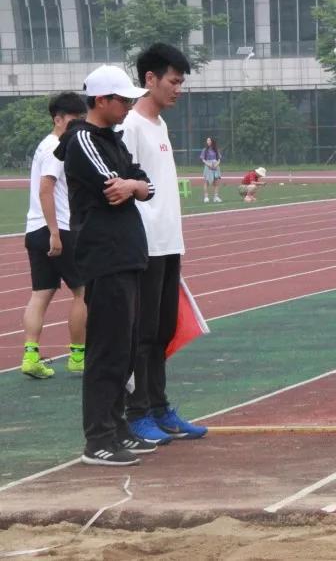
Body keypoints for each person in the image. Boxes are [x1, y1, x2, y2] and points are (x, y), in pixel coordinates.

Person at [54, 64, 157, 466]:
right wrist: (132, 185)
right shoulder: (82, 139)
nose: (129, 105)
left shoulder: (113, 138)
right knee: (107, 349)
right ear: (101, 100)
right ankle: (98, 438)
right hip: (105, 254)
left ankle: (117, 427)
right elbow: (112, 184)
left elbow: (143, 183)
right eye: (123, 99)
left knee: (126, 347)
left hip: (126, 252)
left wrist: (134, 185)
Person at [119, 43, 207, 445]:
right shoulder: (131, 126)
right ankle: (137, 412)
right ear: (150, 79)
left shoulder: (160, 125)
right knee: (142, 333)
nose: (178, 89)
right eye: (173, 81)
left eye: (181, 82)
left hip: (169, 244)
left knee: (163, 329)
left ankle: (158, 407)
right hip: (145, 246)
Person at [20, 92, 88, 379]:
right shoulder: (58, 147)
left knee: (41, 293)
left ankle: (30, 357)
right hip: (57, 229)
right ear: (58, 119)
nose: (79, 125)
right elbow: (45, 189)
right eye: (74, 120)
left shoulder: (44, 145)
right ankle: (78, 356)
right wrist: (55, 233)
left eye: (82, 119)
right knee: (83, 291)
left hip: (35, 229)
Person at [200, 136, 222, 203]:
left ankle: (216, 197)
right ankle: (206, 197)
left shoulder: (216, 150)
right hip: (208, 166)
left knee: (216, 182)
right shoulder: (205, 150)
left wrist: (216, 164)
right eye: (207, 140)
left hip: (215, 167)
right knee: (206, 182)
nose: (208, 142)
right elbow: (203, 159)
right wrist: (208, 164)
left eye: (209, 140)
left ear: (212, 141)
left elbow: (219, 159)